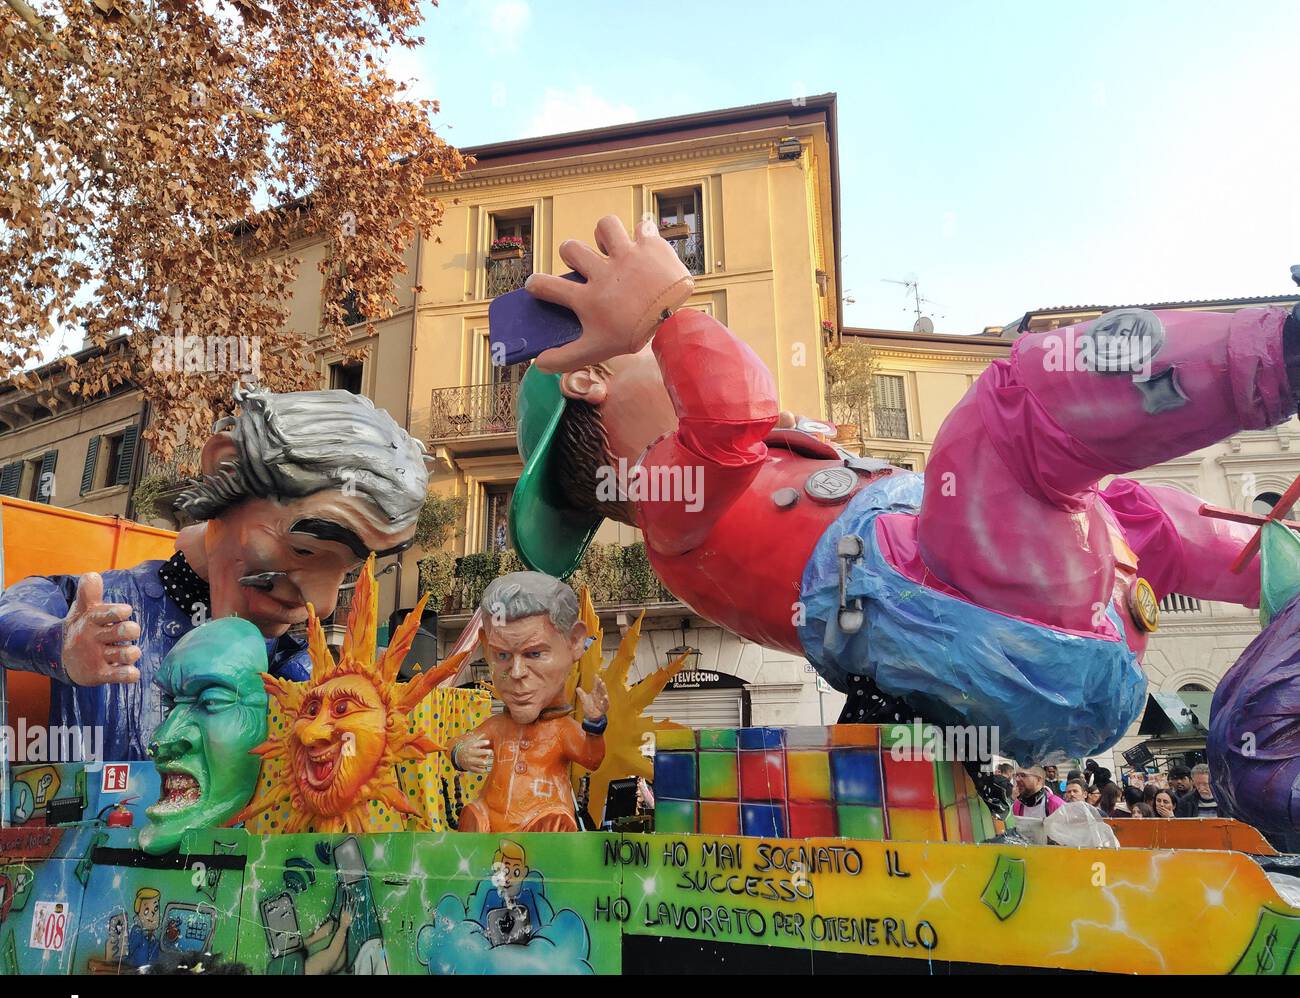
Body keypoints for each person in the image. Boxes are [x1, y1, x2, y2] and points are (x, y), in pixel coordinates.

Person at [507, 215, 1300, 767]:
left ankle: (1274, 576)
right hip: (970, 618)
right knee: (1021, 402)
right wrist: (665, 311)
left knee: (1125, 510)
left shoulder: (714, 482)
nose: (662, 355)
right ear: (591, 378)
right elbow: (731, 409)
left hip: (1039, 622)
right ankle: (1283, 352)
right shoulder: (666, 500)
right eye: (641, 352)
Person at [0, 387, 429, 760]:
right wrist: (59, 643)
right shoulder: (105, 604)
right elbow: (9, 616)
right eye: (302, 548)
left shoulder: (293, 669)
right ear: (225, 466)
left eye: (347, 571)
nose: (322, 602)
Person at [451, 572, 609, 832]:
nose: (516, 672)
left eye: (534, 653)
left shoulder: (561, 731)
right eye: (501, 654)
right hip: (488, 829)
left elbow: (591, 759)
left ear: (575, 642)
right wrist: (461, 752)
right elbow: (459, 741)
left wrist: (594, 724)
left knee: (553, 826)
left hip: (542, 828)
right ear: (485, 645)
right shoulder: (498, 727)